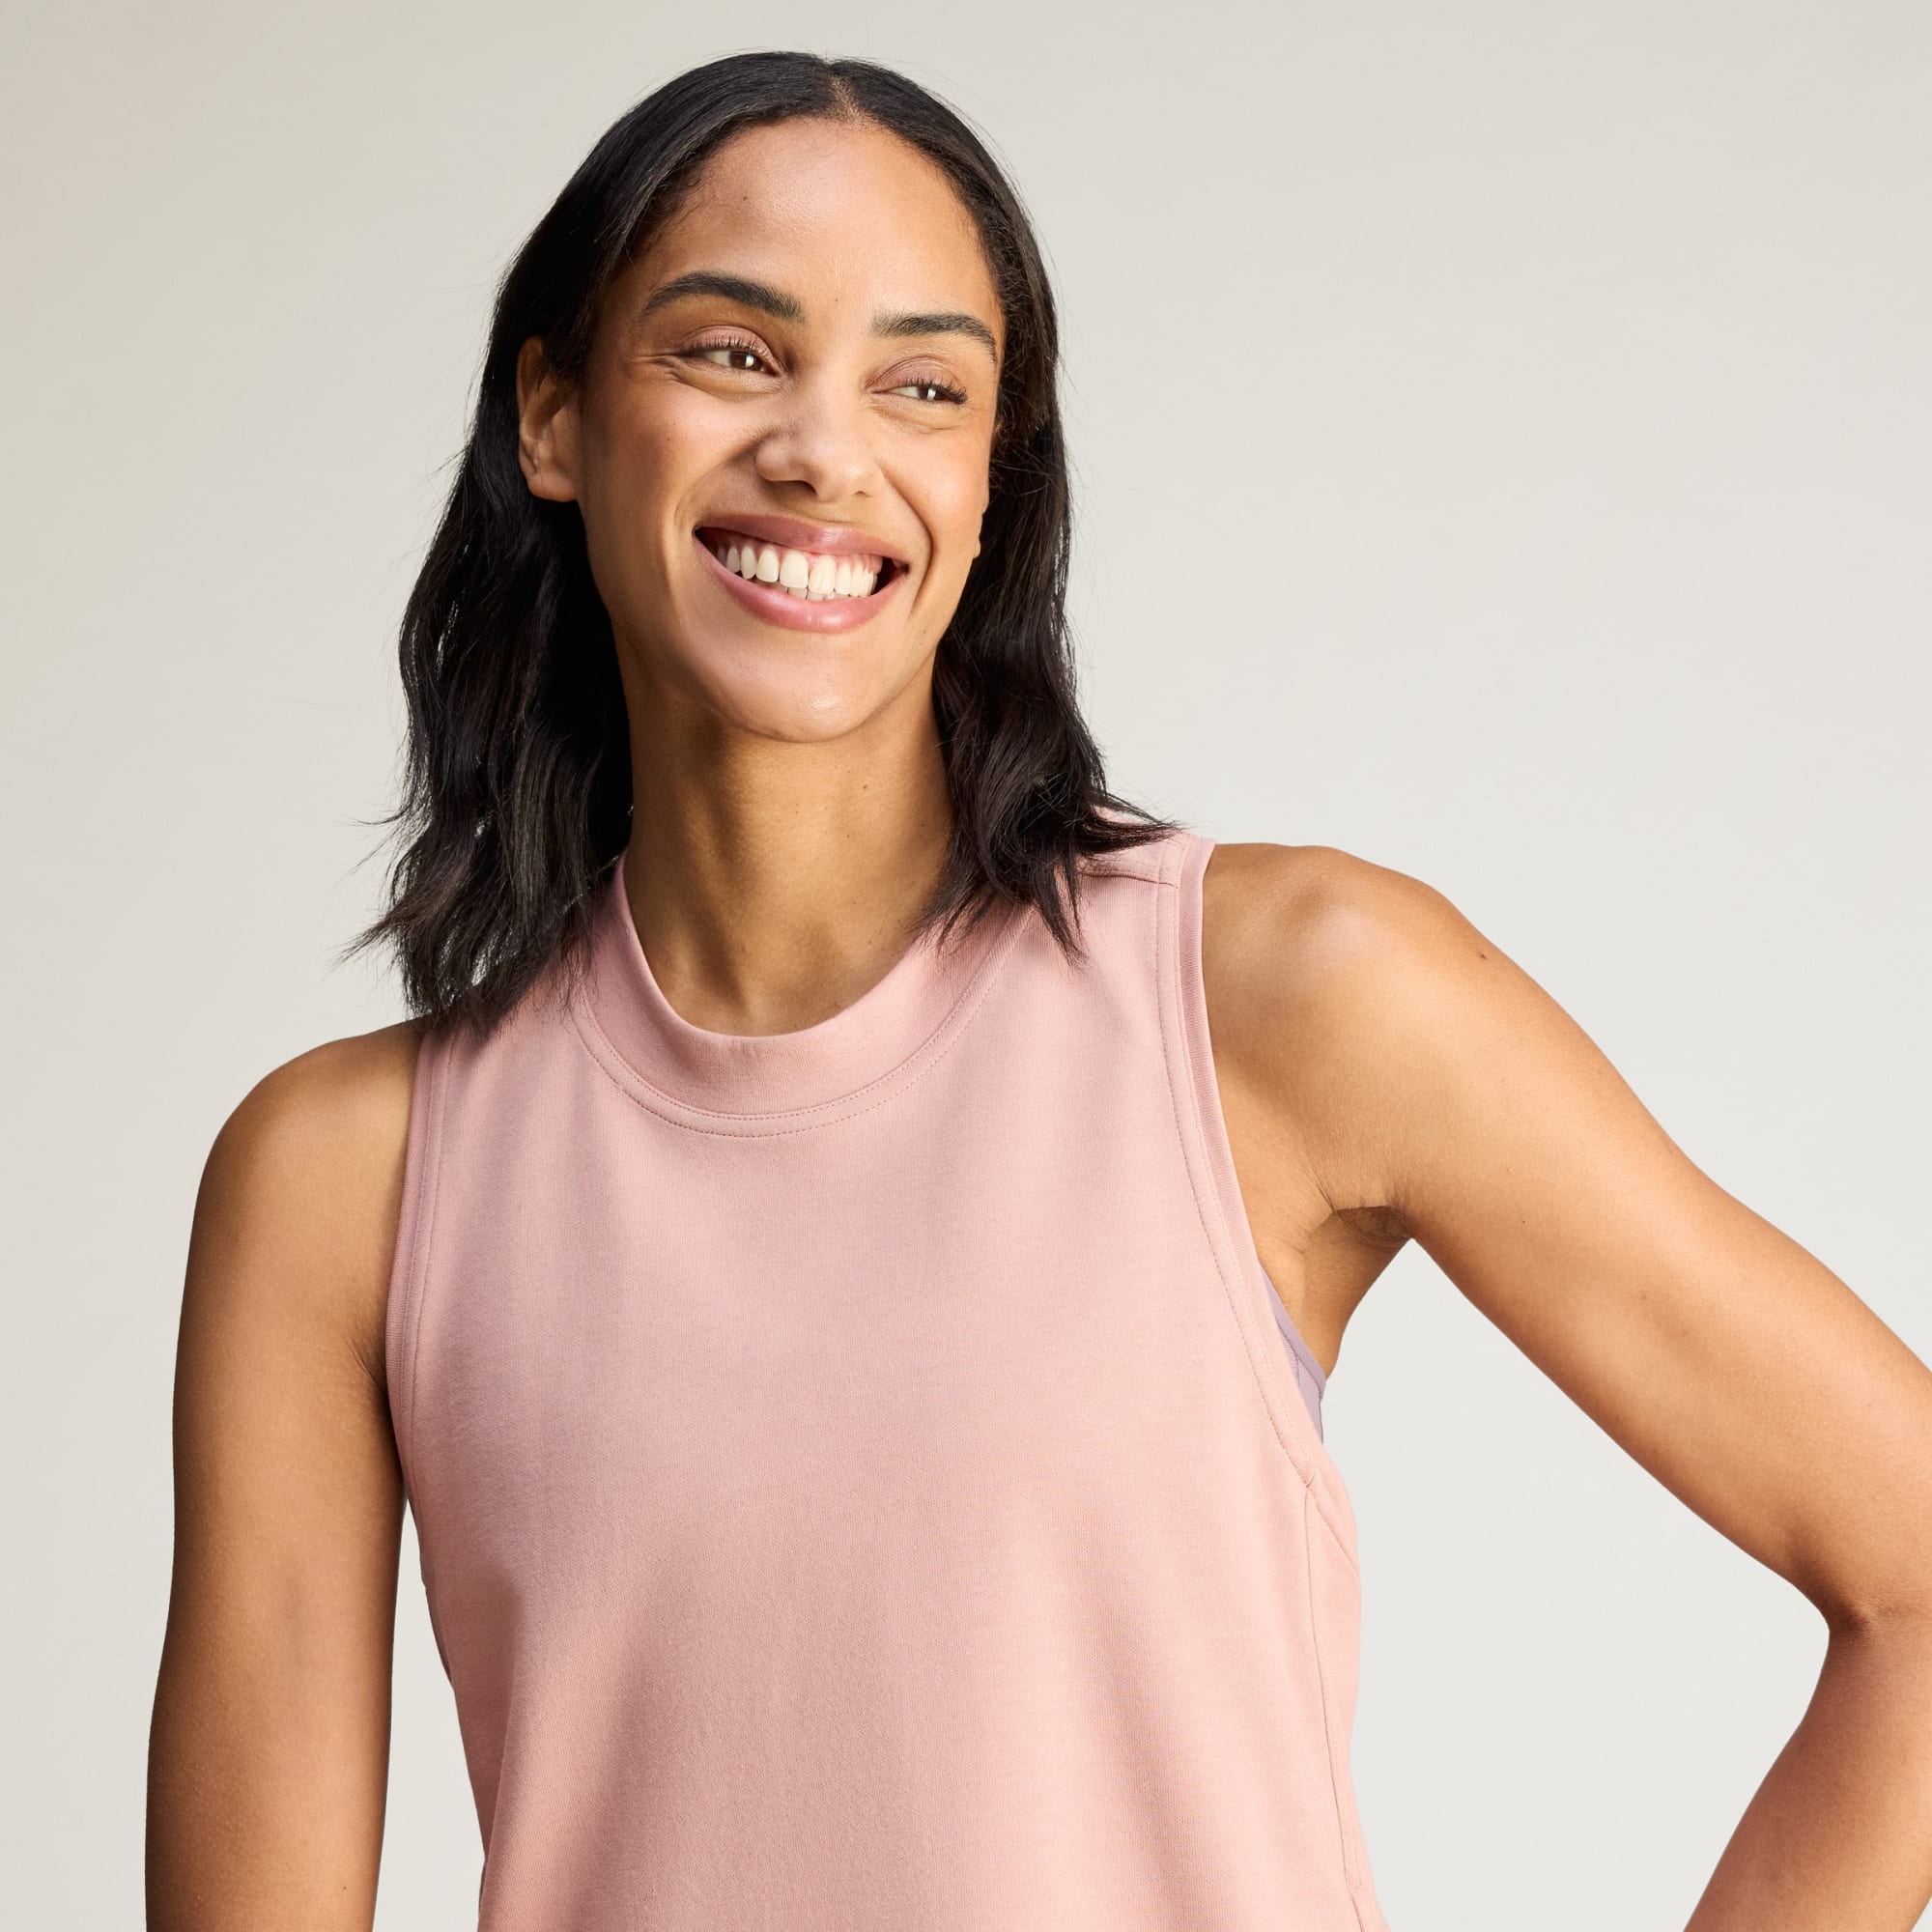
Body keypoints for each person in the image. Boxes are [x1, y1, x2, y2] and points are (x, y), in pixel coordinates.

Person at [145, 48, 1932, 1932]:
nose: (824, 450)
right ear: (556, 416)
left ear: (989, 488)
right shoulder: (343, 1185)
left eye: (922, 385)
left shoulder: (1286, 999)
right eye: (733, 353)